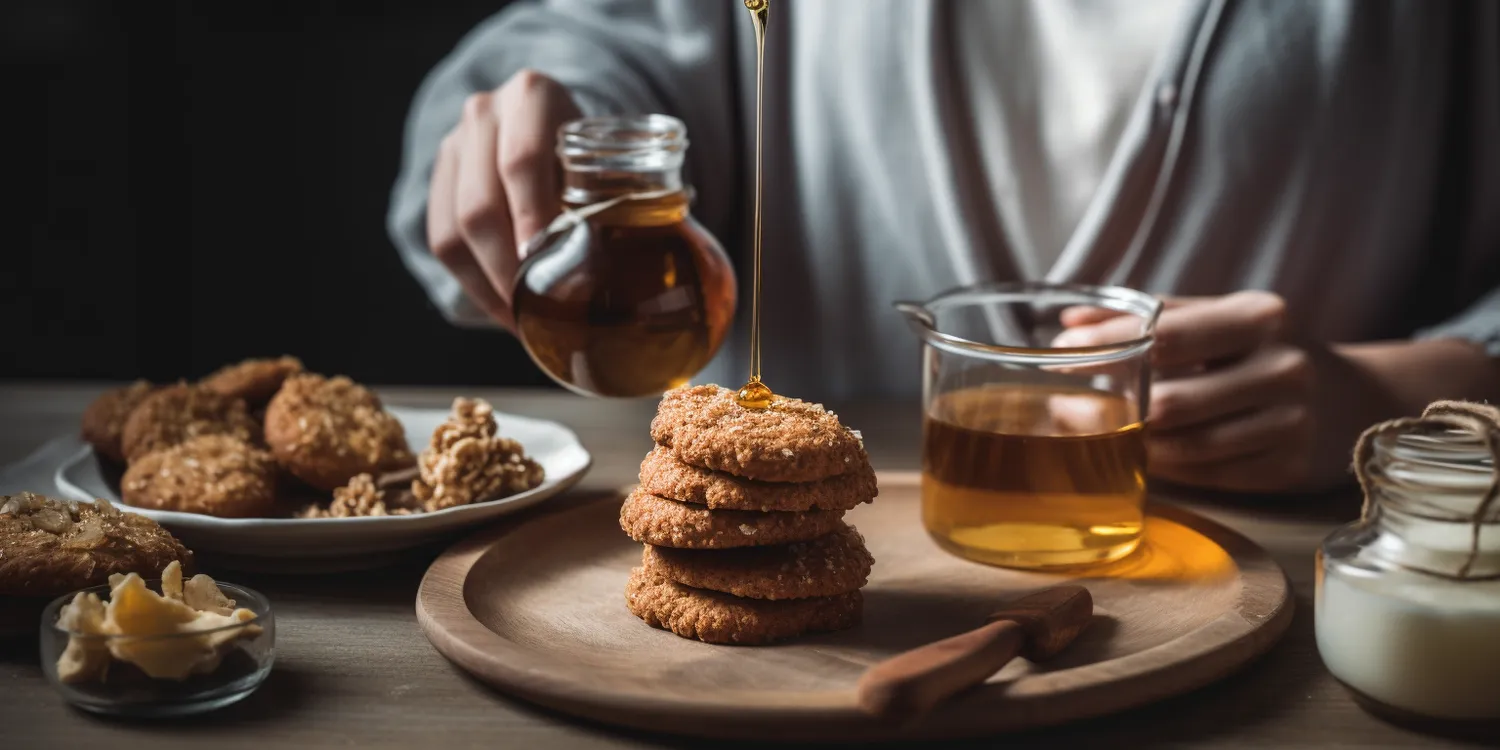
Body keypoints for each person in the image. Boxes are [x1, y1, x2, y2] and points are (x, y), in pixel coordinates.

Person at [388, 0, 1500, 493]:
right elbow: (590, 40)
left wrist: (1423, 399)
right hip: (775, 690)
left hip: (1300, 585)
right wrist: (526, 127)